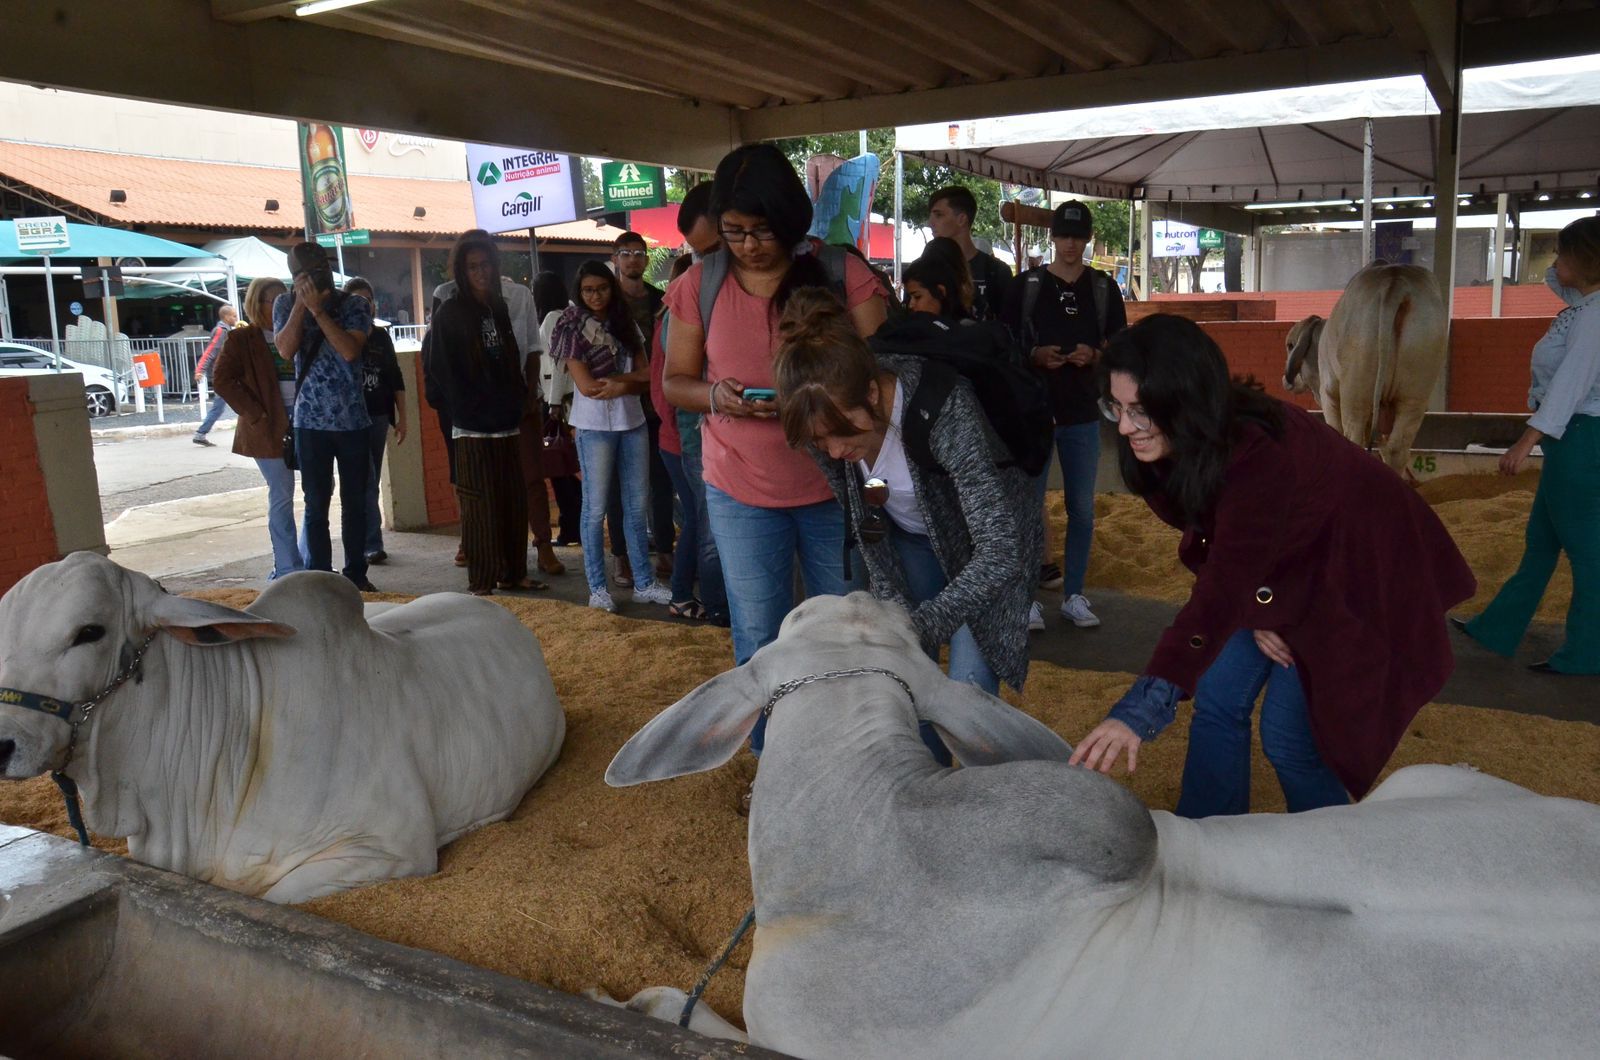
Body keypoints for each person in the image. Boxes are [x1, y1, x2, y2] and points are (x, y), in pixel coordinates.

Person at [1069, 315, 1475, 817]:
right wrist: (1261, 604)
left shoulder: (1257, 455)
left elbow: (1226, 583)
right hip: (1287, 559)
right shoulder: (1161, 448)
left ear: (1186, 401)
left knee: (1289, 737)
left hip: (1360, 565)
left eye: (1141, 411)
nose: (1126, 427)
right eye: (1117, 407)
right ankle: (1211, 833)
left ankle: (1330, 848)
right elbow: (1229, 551)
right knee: (1218, 698)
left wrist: (1141, 709)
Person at [662, 142, 887, 670]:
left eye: (762, 231)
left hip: (835, 485)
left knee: (845, 634)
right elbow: (675, 382)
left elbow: (886, 373)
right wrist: (715, 396)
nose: (748, 245)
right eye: (734, 231)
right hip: (740, 488)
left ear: (788, 219)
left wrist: (818, 401)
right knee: (760, 637)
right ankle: (772, 726)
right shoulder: (699, 284)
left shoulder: (841, 273)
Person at [775, 288, 1039, 714]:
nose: (835, 450)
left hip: (987, 546)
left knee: (967, 692)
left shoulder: (941, 404)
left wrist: (920, 626)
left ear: (872, 394)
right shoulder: (821, 425)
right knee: (905, 683)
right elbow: (867, 522)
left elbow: (1000, 550)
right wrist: (896, 615)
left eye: (843, 432)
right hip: (913, 537)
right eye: (820, 441)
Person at [1457, 216, 1600, 674]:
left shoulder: (1594, 316)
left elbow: (1570, 386)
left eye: (1562, 253)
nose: (1554, 263)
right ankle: (1497, 628)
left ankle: (1586, 653)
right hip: (1571, 438)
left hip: (1580, 436)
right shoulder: (1584, 302)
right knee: (1541, 542)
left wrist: (1526, 441)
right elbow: (1555, 280)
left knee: (1587, 551)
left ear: (1585, 260)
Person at [1003, 200, 1126, 627]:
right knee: (1029, 508)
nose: (1070, 243)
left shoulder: (1103, 288)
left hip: (1082, 413)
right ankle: (1027, 598)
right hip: (1035, 413)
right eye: (1064, 235)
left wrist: (1096, 355)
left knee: (1082, 509)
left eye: (1077, 236)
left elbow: (1120, 347)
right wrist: (1035, 355)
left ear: (1088, 239)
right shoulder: (1027, 285)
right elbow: (1005, 345)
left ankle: (1074, 594)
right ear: (1052, 237)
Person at [549, 260, 671, 612]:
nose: (595, 296)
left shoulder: (624, 322)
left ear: (611, 289)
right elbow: (587, 386)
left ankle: (644, 583)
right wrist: (627, 383)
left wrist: (620, 383)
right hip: (593, 427)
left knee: (637, 507)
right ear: (578, 292)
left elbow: (648, 374)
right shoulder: (570, 326)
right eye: (588, 290)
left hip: (632, 422)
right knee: (595, 508)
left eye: (601, 288)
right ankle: (597, 588)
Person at [430, 233, 544, 596]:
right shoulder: (450, 312)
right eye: (473, 267)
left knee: (513, 499)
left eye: (486, 265)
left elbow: (512, 357)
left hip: (506, 421)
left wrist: (519, 398)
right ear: (462, 271)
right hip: (471, 426)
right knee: (480, 506)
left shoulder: (499, 307)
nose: (481, 272)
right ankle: (481, 580)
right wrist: (465, 406)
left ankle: (514, 572)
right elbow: (438, 369)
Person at [273, 241, 376, 592]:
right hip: (309, 423)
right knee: (316, 504)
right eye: (304, 274)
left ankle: (356, 574)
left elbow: (349, 350)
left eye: (320, 269)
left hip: (352, 421)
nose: (316, 277)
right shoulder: (285, 303)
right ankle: (320, 578)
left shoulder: (354, 304)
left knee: (355, 503)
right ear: (294, 277)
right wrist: (301, 306)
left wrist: (319, 312)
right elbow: (285, 349)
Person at [211, 277, 303, 581]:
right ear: (256, 303)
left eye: (284, 299)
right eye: (273, 301)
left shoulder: (299, 331)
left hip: (305, 418)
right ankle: (288, 567)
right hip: (268, 424)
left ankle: (309, 558)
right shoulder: (242, 339)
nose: (280, 306)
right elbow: (222, 380)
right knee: (282, 492)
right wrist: (255, 413)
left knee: (318, 490)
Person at [652, 253, 728, 622]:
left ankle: (692, 595)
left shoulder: (696, 315)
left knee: (703, 521)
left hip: (690, 436)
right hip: (686, 438)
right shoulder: (675, 320)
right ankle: (701, 602)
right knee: (703, 523)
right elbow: (664, 389)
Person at [611, 231, 674, 583]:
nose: (632, 259)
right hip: (618, 406)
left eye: (638, 253)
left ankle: (665, 552)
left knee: (660, 482)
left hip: (656, 407)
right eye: (625, 253)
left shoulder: (659, 300)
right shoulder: (605, 301)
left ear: (647, 259)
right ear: (615, 258)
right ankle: (620, 556)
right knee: (620, 487)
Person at [342, 277, 407, 566]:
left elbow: (395, 376)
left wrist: (402, 417)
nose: (365, 305)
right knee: (362, 481)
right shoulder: (342, 334)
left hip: (379, 415)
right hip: (350, 418)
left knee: (370, 480)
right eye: (358, 300)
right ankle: (370, 542)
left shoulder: (381, 336)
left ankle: (368, 542)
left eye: (369, 300)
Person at [535, 271, 582, 547]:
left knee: (559, 465)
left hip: (559, 402)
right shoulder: (571, 312)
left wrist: (552, 403)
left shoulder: (553, 317)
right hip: (571, 399)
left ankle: (570, 526)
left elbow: (557, 363)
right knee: (569, 464)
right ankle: (574, 525)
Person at [927, 186, 1011, 321]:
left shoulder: (996, 271)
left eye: (939, 215)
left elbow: (1007, 325)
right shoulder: (926, 268)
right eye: (931, 216)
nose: (930, 223)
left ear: (962, 219)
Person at [192, 304, 238, 446]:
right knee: (220, 406)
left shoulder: (225, 330)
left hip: (225, 374)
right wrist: (200, 370)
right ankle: (200, 433)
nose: (236, 319)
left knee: (220, 406)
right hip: (222, 375)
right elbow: (210, 352)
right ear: (226, 317)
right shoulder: (221, 331)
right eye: (234, 316)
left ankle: (201, 433)